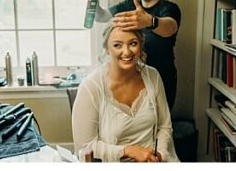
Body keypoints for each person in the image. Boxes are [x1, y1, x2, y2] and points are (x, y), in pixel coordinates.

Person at [86, 0, 182, 109]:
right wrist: (93, 1)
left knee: (159, 126)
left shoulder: (170, 8)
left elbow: (170, 27)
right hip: (133, 80)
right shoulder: (128, 5)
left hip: (163, 79)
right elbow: (101, 17)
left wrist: (148, 21)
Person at [72, 25, 178, 162]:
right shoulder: (91, 87)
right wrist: (128, 151)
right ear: (107, 49)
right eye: (117, 45)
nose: (126, 52)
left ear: (141, 45)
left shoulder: (153, 76)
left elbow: (164, 126)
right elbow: (84, 146)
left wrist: (160, 154)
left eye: (133, 43)